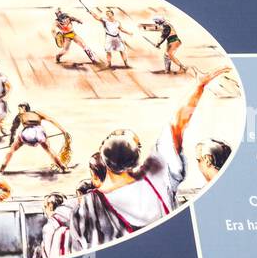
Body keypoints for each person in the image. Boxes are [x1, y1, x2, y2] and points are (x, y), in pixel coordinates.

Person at [70, 67, 228, 248]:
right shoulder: (157, 175)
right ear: (137, 157)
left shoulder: (87, 207)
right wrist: (199, 86)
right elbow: (177, 125)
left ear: (104, 161)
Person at [0, 102, 70, 174]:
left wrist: (11, 142)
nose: (19, 111)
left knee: (11, 150)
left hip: (27, 134)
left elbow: (14, 129)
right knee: (49, 150)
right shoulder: (37, 113)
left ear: (24, 108)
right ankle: (63, 167)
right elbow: (51, 120)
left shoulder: (21, 115)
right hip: (39, 133)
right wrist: (63, 130)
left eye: (19, 109)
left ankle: (1, 169)